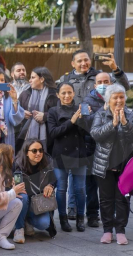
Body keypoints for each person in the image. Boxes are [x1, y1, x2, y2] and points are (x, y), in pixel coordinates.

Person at [90, 83, 133, 245]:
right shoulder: (101, 114)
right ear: (108, 99)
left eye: (121, 97)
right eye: (115, 97)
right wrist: (112, 124)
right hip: (104, 164)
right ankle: (107, 230)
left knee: (122, 199)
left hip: (125, 166)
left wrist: (124, 122)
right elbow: (95, 134)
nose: (119, 100)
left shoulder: (132, 114)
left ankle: (120, 230)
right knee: (105, 199)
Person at [47, 83, 90, 232]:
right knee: (61, 189)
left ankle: (80, 219)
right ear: (58, 95)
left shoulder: (80, 108)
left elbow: (87, 132)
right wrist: (72, 121)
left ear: (74, 93)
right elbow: (53, 133)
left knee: (81, 189)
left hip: (79, 154)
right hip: (60, 154)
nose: (67, 96)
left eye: (69, 92)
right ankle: (63, 219)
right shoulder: (52, 111)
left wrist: (85, 119)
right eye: (63, 93)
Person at [74, 72, 114, 227]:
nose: (103, 84)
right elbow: (86, 123)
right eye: (100, 82)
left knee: (110, 184)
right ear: (95, 85)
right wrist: (103, 109)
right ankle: (92, 215)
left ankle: (110, 215)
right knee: (91, 185)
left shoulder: (116, 98)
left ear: (111, 83)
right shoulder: (87, 101)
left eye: (106, 81)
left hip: (111, 149)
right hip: (91, 147)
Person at [13, 139, 57, 243]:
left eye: (41, 150)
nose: (38, 153)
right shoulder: (18, 164)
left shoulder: (47, 162)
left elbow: (54, 179)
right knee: (22, 196)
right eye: (34, 151)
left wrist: (50, 185)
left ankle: (27, 221)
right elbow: (12, 185)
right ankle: (19, 228)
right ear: (26, 153)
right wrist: (13, 184)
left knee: (44, 224)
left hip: (38, 203)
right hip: (23, 201)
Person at [57, 50, 129, 104]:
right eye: (79, 61)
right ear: (73, 64)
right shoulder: (65, 79)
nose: (84, 63)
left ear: (90, 60)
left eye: (86, 60)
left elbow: (124, 87)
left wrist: (115, 69)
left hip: (97, 118)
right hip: (73, 119)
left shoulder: (100, 76)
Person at [17, 67, 58, 154]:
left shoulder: (54, 94)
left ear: (42, 79)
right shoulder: (25, 94)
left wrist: (46, 116)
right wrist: (21, 113)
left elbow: (60, 113)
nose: (30, 80)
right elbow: (15, 111)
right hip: (25, 136)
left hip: (48, 138)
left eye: (33, 77)